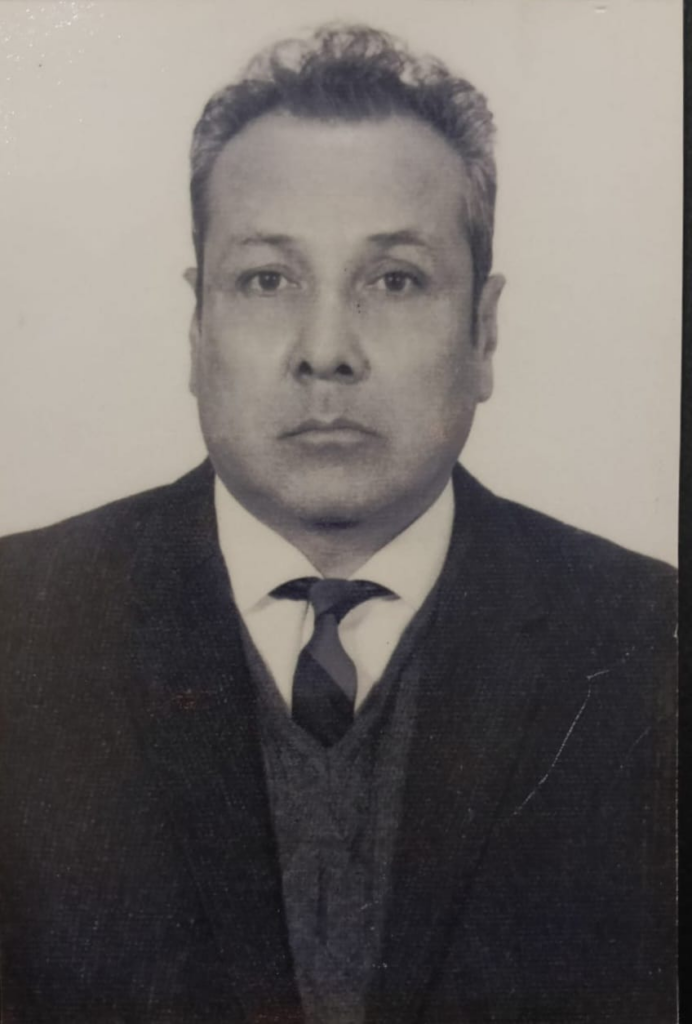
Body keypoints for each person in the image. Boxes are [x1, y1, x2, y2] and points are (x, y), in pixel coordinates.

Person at [0, 23, 676, 1024]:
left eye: (393, 280)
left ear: (484, 333)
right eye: (267, 280)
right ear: (196, 326)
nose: (325, 350)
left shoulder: (652, 645)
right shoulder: (19, 627)